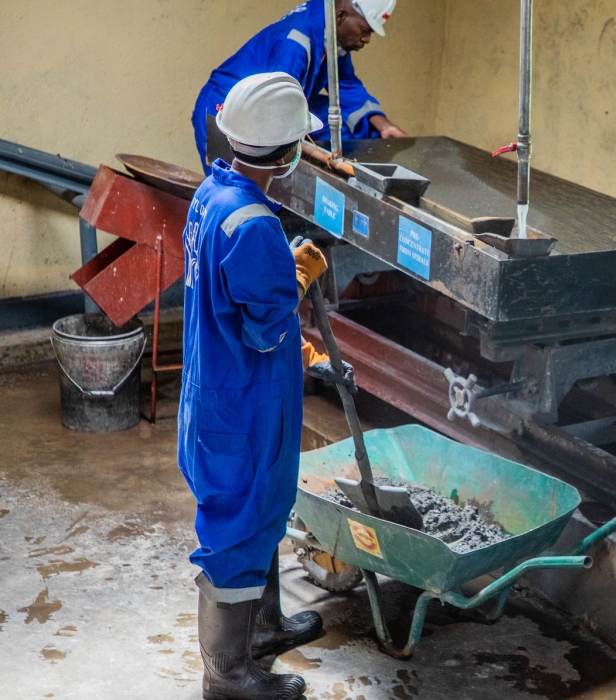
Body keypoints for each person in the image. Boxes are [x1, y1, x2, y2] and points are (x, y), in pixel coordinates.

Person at [178, 72, 356, 700]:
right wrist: (296, 279)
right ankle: (228, 676)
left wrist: (282, 268)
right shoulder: (254, 226)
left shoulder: (213, 195)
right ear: (288, 154)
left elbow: (227, 297)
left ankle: (264, 630)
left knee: (264, 517)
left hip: (219, 391)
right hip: (244, 408)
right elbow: (261, 329)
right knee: (238, 530)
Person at [191, 0, 406, 174]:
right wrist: (316, 154)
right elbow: (277, 106)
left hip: (268, 106)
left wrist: (384, 126)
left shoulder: (328, 33)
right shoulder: (295, 45)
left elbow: (344, 83)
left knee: (350, 120)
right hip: (226, 107)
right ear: (341, 16)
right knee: (235, 189)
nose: (366, 39)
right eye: (365, 30)